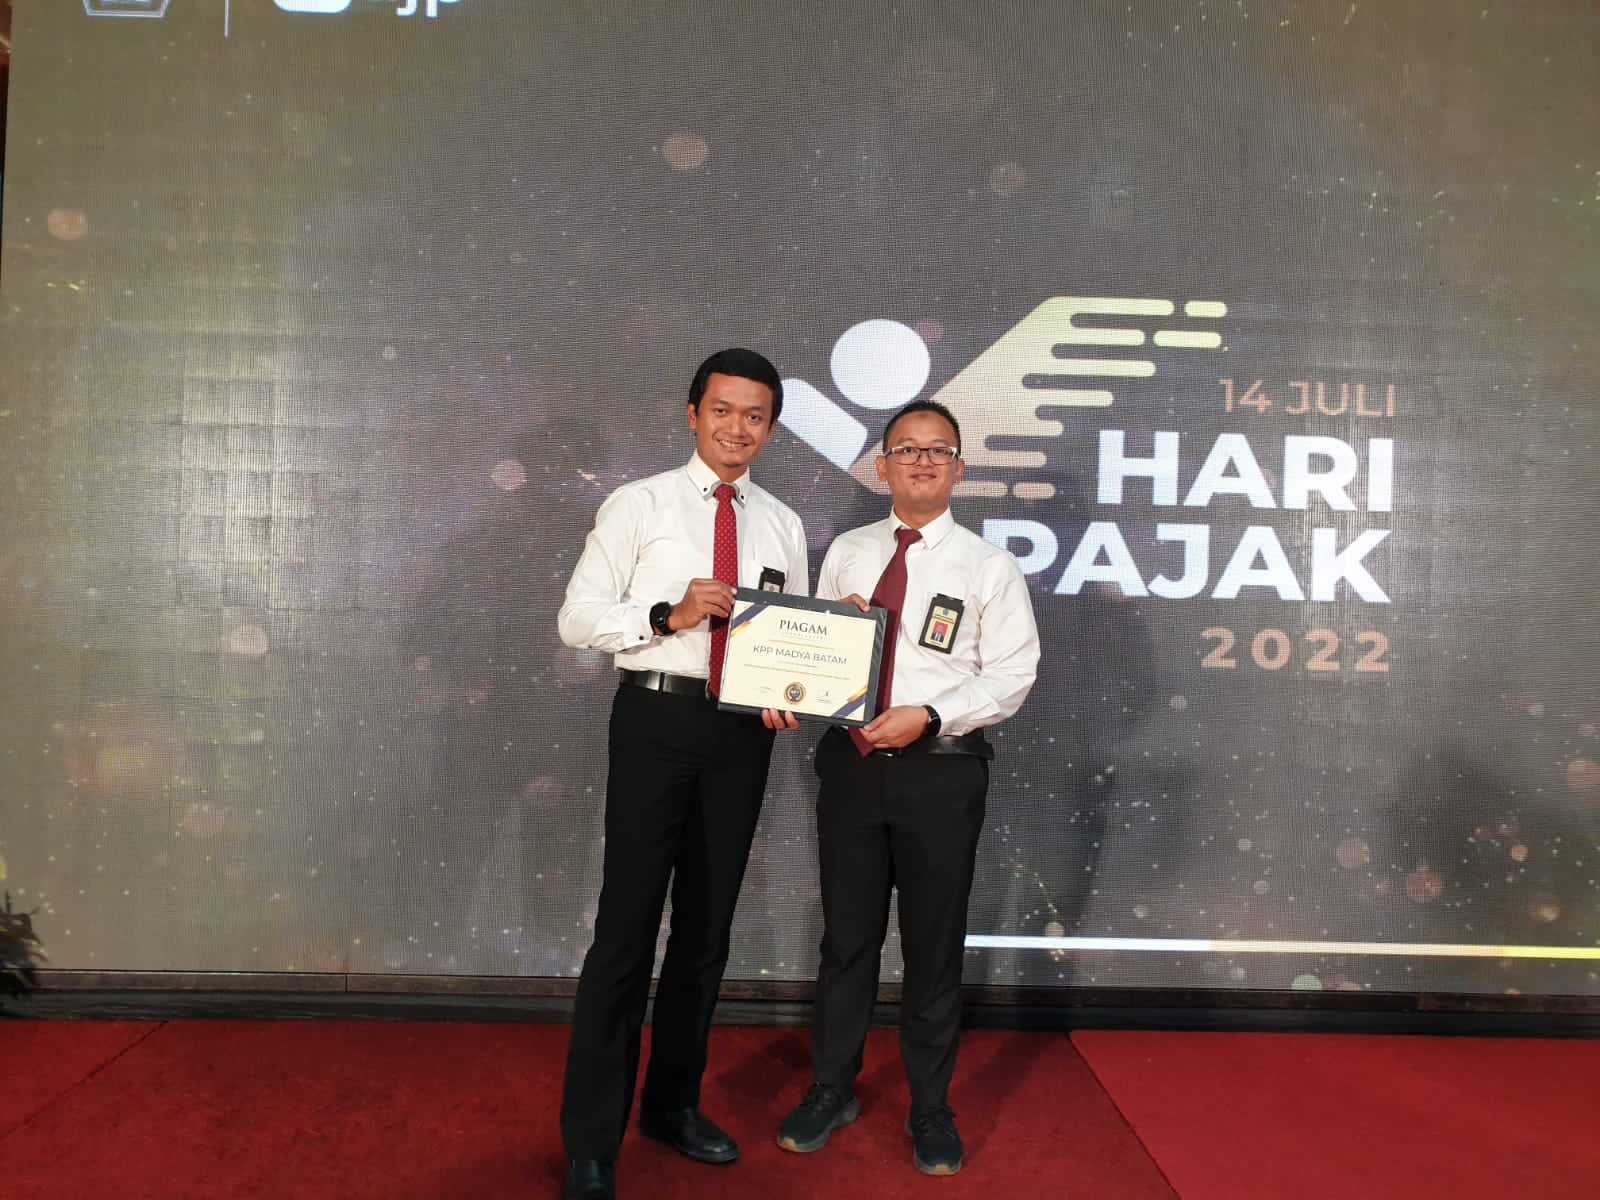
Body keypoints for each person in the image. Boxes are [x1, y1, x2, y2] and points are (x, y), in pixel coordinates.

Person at [555, 348, 808, 1200]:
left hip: (741, 735)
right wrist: (669, 613)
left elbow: (788, 640)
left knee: (706, 931)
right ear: (693, 413)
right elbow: (578, 619)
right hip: (656, 721)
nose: (738, 428)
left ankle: (672, 1106)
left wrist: (792, 691)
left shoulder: (782, 523)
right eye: (723, 410)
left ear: (771, 429)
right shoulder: (639, 504)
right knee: (626, 929)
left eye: (755, 416)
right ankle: (592, 1140)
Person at [773, 398, 1039, 1176]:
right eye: (907, 449)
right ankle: (831, 1088)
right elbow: (817, 653)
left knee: (932, 944)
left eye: (938, 450)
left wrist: (931, 715)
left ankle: (930, 1107)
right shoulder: (847, 551)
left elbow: (1013, 675)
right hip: (852, 767)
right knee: (846, 939)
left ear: (959, 468)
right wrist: (798, 673)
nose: (922, 461)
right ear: (881, 464)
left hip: (941, 772)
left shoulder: (989, 566)